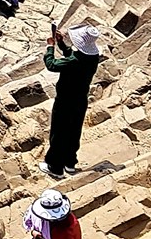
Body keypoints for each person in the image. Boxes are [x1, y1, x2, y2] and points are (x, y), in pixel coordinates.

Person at [41, 24, 104, 179]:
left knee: (59, 132)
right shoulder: (92, 57)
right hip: (80, 99)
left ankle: (55, 166)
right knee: (74, 131)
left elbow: (52, 65)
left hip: (65, 100)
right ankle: (70, 162)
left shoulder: (75, 60)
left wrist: (50, 48)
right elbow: (72, 55)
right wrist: (61, 44)